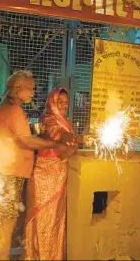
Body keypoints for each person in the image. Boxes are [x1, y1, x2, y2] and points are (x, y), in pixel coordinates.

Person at [0, 71, 74, 260]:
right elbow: (27, 142)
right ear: (18, 89)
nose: (33, 93)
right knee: (7, 223)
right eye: (30, 89)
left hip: (9, 171)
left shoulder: (10, 108)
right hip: (9, 173)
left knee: (9, 221)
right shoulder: (14, 111)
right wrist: (56, 144)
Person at [25, 87, 88, 260]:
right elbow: (59, 135)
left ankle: (54, 255)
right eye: (60, 102)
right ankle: (39, 256)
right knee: (43, 218)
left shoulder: (64, 120)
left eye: (66, 103)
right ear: (52, 102)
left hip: (60, 173)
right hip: (45, 173)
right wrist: (77, 138)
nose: (64, 106)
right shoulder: (48, 119)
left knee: (56, 219)